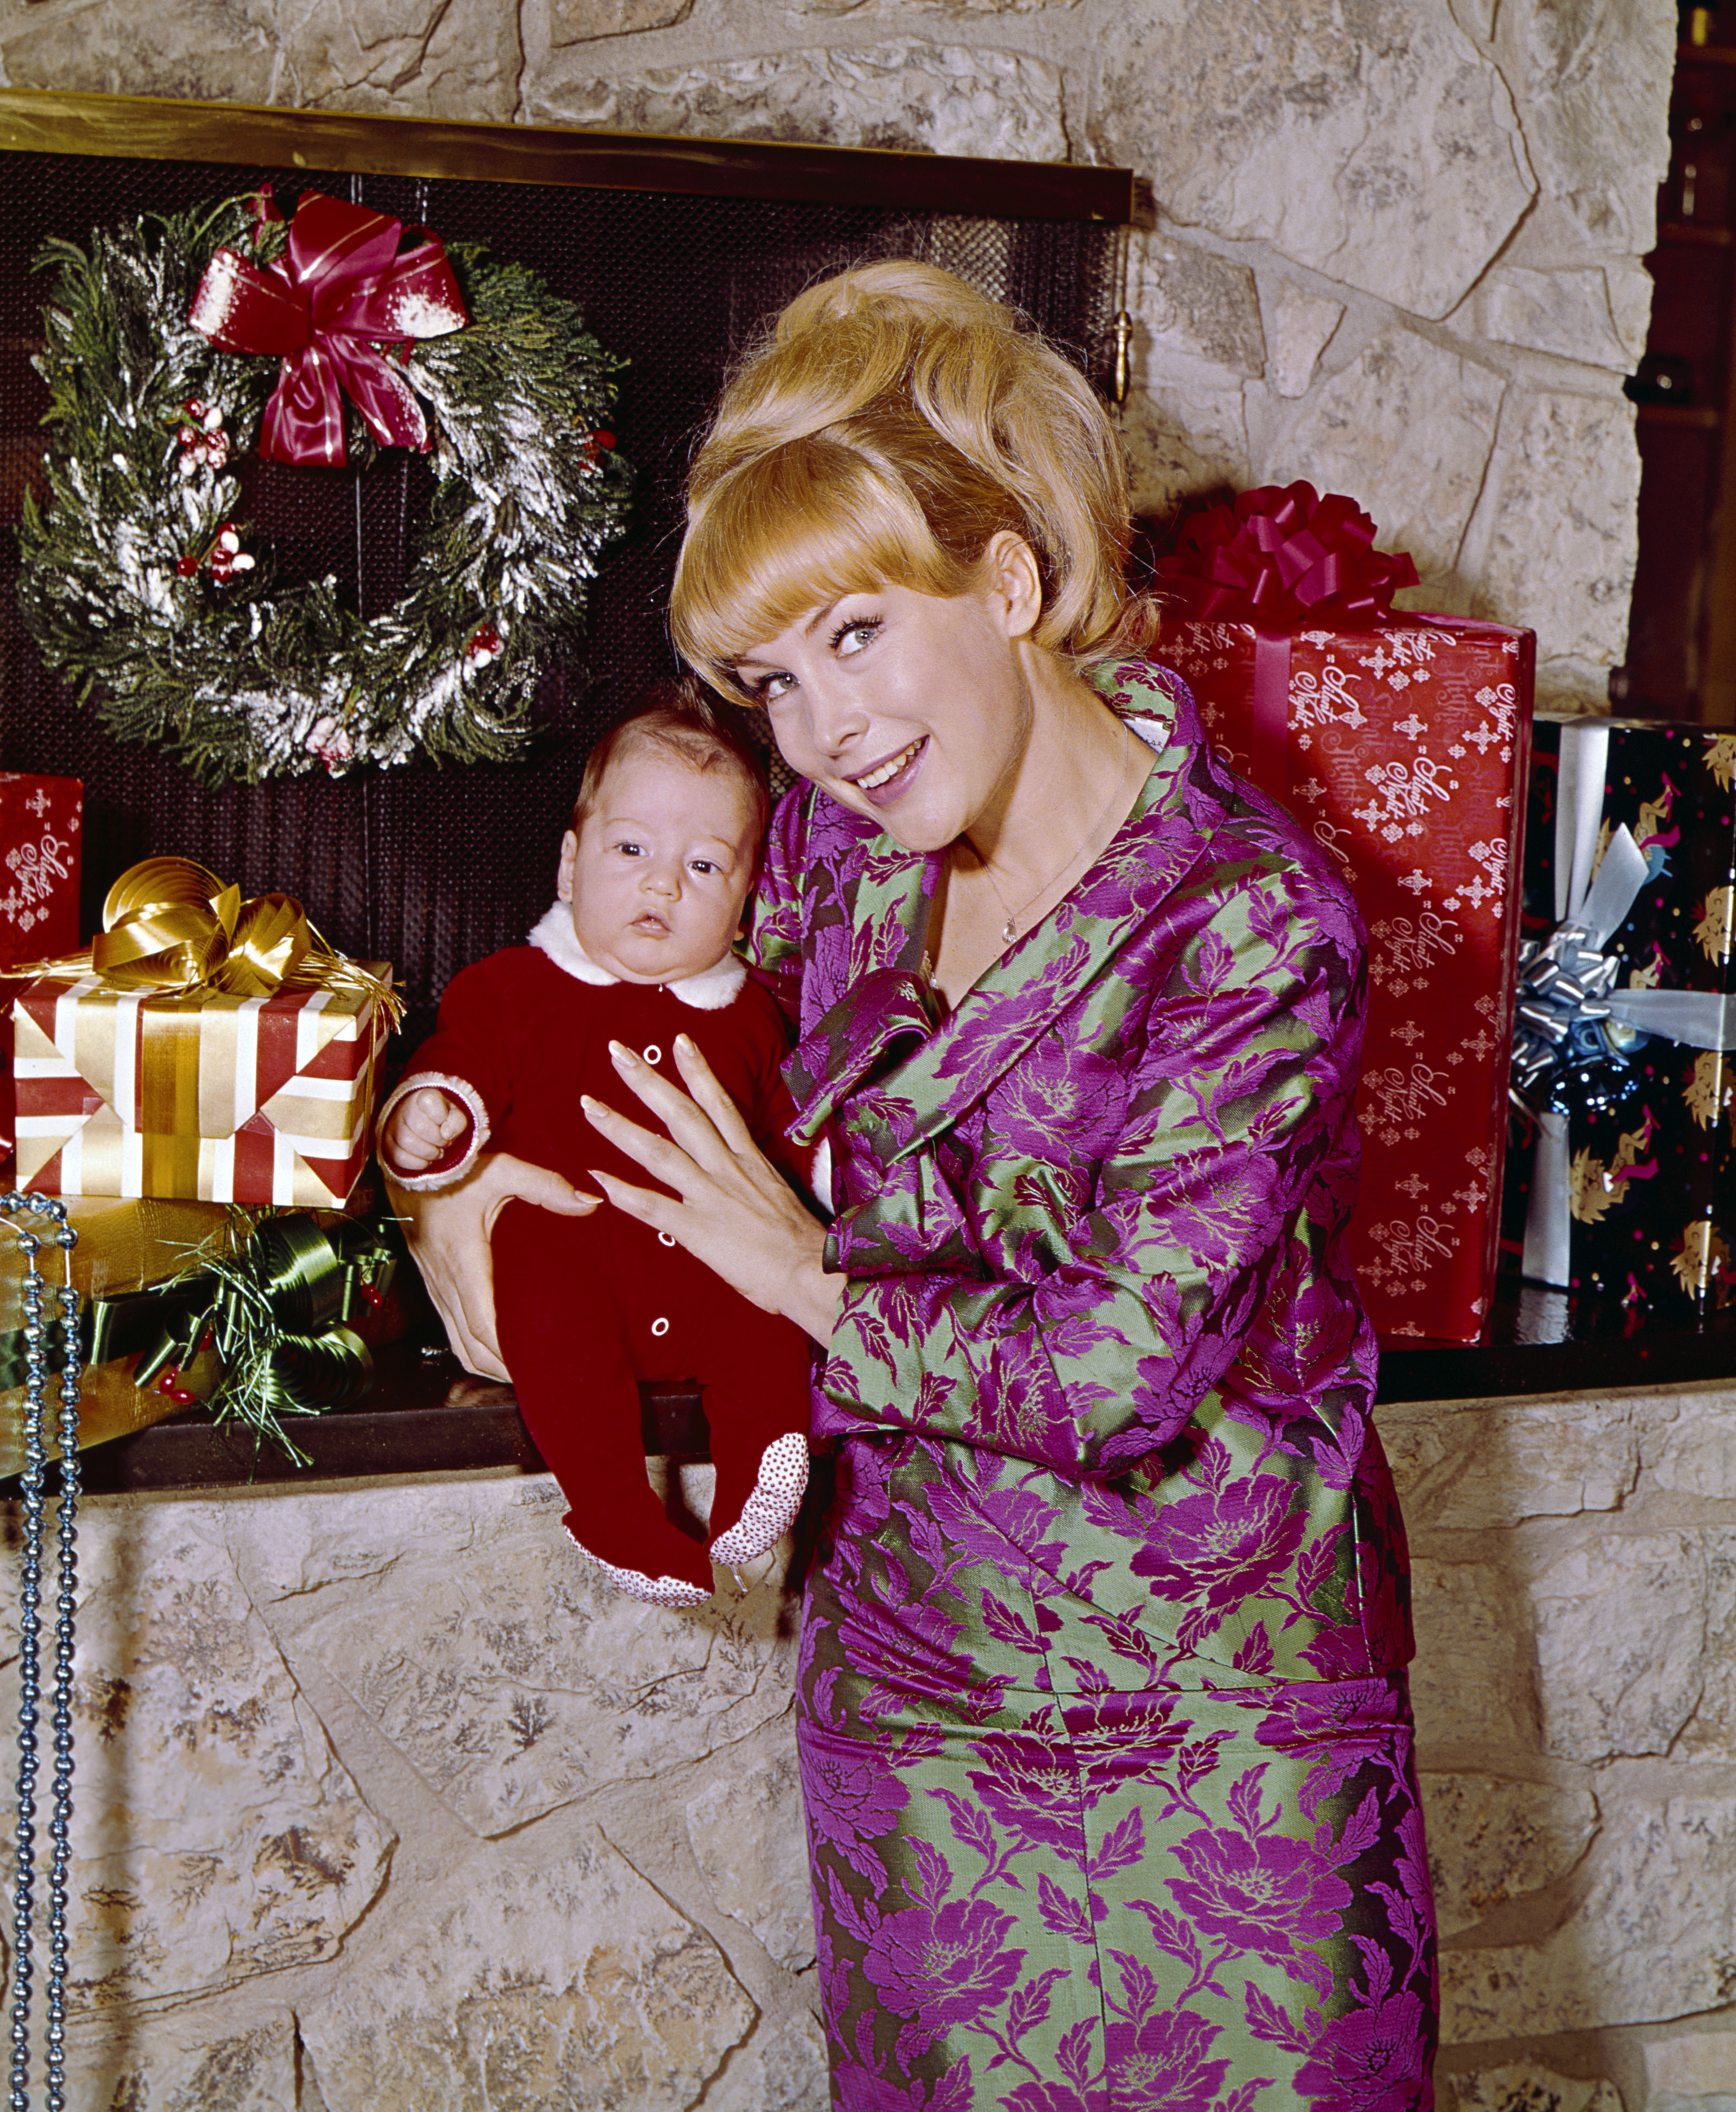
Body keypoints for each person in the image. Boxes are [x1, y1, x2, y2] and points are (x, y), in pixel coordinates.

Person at [399, 262, 1438, 2107]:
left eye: (859, 636)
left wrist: (805, 1282)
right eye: (774, 680)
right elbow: (608, 1016)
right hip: (916, 1699)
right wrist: (460, 1179)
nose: (821, 731)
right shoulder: (829, 845)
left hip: (1227, 1728)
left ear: (1012, 583)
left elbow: (1113, 1378)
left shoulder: (1253, 921)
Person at [380, 684, 816, 1607]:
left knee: (771, 1317)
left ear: (743, 904)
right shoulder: (515, 986)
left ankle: (759, 1483)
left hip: (711, 1262)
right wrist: (431, 1112)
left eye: (704, 867)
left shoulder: (747, 1017)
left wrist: (826, 1165)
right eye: (631, 850)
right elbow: (454, 1060)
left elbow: (786, 1129)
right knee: (545, 1304)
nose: (662, 884)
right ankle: (611, 1511)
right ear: (571, 866)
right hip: (573, 1245)